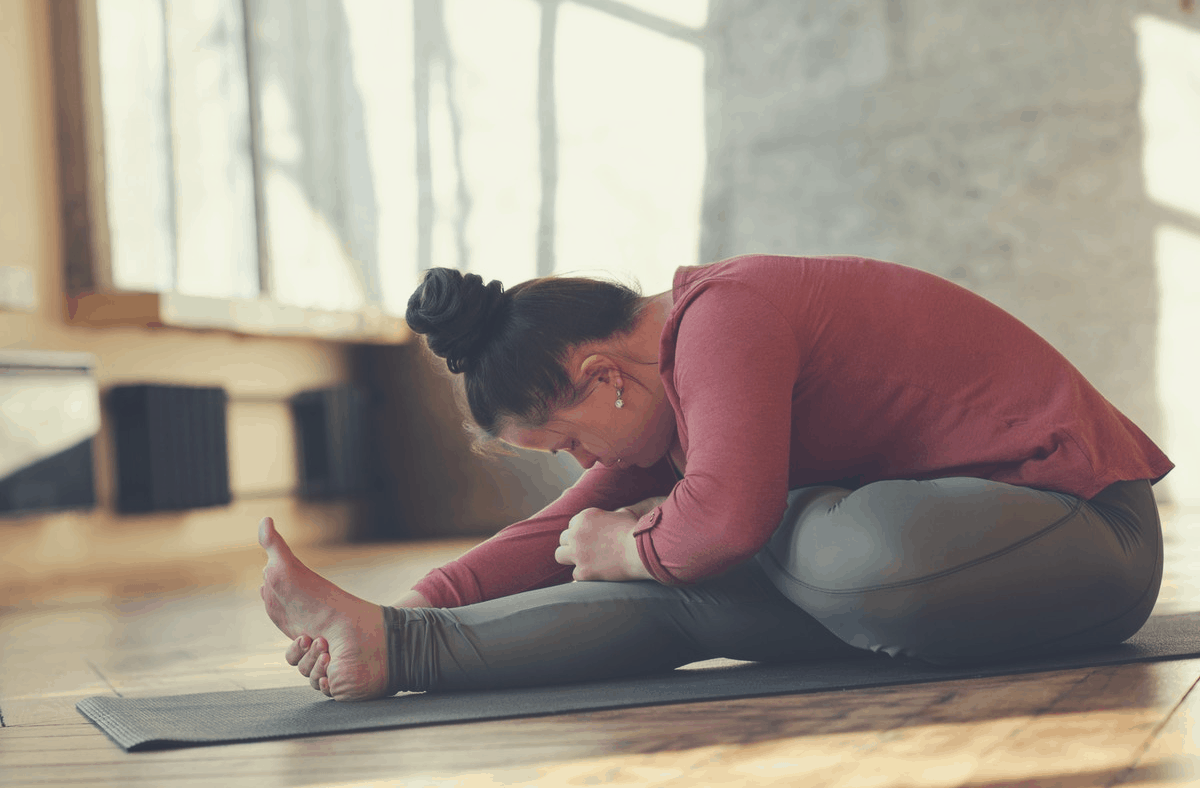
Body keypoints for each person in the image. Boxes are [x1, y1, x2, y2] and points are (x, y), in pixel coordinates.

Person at [258, 254, 1173, 701]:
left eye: (565, 440)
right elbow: (559, 533)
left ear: (603, 378)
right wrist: (421, 605)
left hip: (1082, 530)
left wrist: (647, 534)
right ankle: (397, 652)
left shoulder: (725, 321)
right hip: (972, 585)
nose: (580, 468)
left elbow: (730, 519)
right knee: (674, 590)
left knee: (728, 538)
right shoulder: (656, 398)